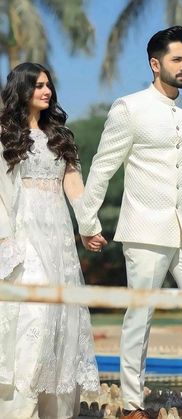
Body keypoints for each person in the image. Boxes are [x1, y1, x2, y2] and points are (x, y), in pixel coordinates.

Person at [76, 26, 182, 419]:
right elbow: (103, 168)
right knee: (139, 315)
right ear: (155, 63)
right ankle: (132, 404)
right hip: (144, 230)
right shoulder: (129, 108)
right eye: (176, 60)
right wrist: (87, 219)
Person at [0, 62, 101, 419]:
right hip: (24, 234)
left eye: (48, 85)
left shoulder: (60, 136)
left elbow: (74, 185)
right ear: (21, 90)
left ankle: (53, 410)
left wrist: (88, 225)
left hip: (58, 237)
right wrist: (4, 239)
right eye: (38, 85)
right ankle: (19, 409)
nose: (46, 91)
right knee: (36, 315)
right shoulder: (4, 135)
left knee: (61, 315)